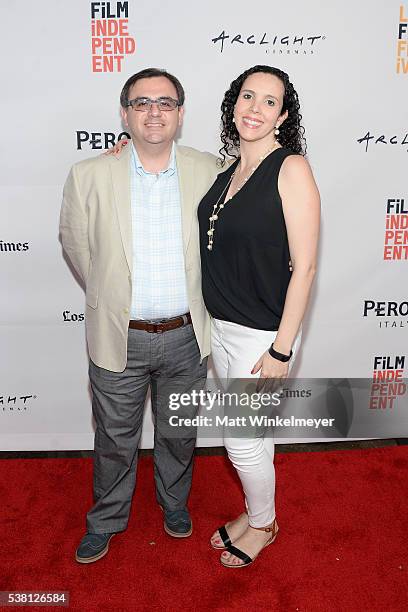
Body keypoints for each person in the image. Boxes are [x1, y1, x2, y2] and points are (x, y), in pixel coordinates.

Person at [60, 68, 218, 563]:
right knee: (113, 439)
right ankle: (106, 520)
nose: (155, 112)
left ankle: (174, 505)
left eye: (166, 103)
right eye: (143, 103)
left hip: (186, 337)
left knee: (179, 432)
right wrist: (113, 297)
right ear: (125, 113)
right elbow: (77, 248)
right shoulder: (89, 174)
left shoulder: (210, 170)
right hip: (118, 336)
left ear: (181, 114)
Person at [197, 65, 320, 568]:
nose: (255, 108)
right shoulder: (226, 172)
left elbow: (306, 266)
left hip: (260, 338)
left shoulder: (290, 168)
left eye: (269, 101)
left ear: (282, 116)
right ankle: (255, 512)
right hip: (220, 329)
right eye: (248, 96)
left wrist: (281, 349)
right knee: (254, 440)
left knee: (242, 445)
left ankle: (265, 524)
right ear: (233, 105)